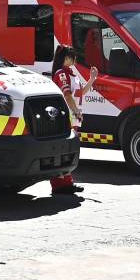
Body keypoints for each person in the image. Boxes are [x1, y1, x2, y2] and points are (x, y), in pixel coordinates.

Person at [47, 45, 92, 196]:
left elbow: (80, 92)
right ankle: (59, 184)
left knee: (68, 150)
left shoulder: (71, 74)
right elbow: (67, 95)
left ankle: (67, 183)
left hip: (72, 117)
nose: (73, 59)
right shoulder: (61, 74)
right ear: (64, 58)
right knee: (62, 150)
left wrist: (92, 79)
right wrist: (76, 111)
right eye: (71, 56)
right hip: (65, 117)